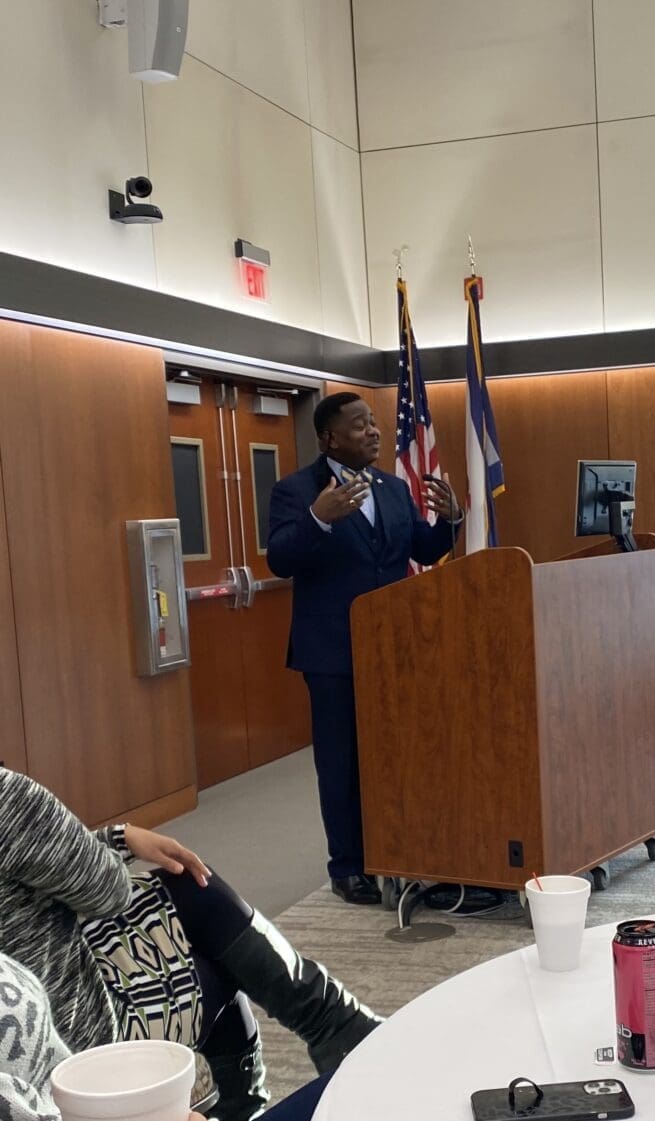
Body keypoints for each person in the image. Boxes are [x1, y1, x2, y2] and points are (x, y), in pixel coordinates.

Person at [0, 765, 383, 1121]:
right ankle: (334, 1030)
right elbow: (108, 891)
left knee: (184, 891)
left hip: (40, 1032)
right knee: (207, 948)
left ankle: (334, 1028)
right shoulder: (7, 798)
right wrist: (118, 841)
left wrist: (119, 838)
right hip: (86, 1053)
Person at [266, 392, 462, 905]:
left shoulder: (394, 488)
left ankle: (399, 846)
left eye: (373, 423)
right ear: (329, 438)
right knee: (341, 760)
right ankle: (347, 865)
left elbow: (424, 547)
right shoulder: (296, 491)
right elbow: (280, 561)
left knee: (400, 753)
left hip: (396, 649)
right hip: (331, 653)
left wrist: (451, 521)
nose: (373, 432)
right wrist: (318, 519)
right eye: (359, 426)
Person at [0, 951, 331, 1121]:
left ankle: (329, 1020)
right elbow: (105, 886)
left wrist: (121, 839)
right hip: (99, 1024)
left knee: (194, 893)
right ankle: (329, 1020)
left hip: (94, 1056)